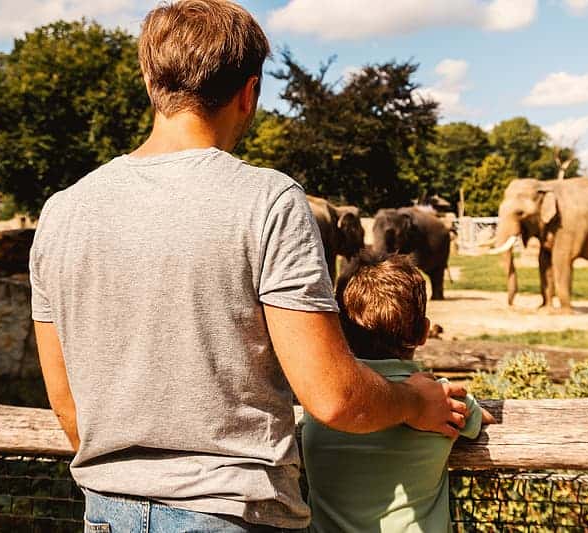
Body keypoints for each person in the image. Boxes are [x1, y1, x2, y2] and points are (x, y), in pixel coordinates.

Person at [29, 1, 469, 531]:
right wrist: (412, 403)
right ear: (250, 92)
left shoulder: (62, 211)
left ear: (150, 81)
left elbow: (66, 403)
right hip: (231, 513)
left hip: (105, 511)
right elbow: (332, 397)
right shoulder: (269, 201)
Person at [302, 251, 496, 533]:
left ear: (340, 328)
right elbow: (481, 420)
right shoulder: (441, 400)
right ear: (424, 333)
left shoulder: (322, 398)